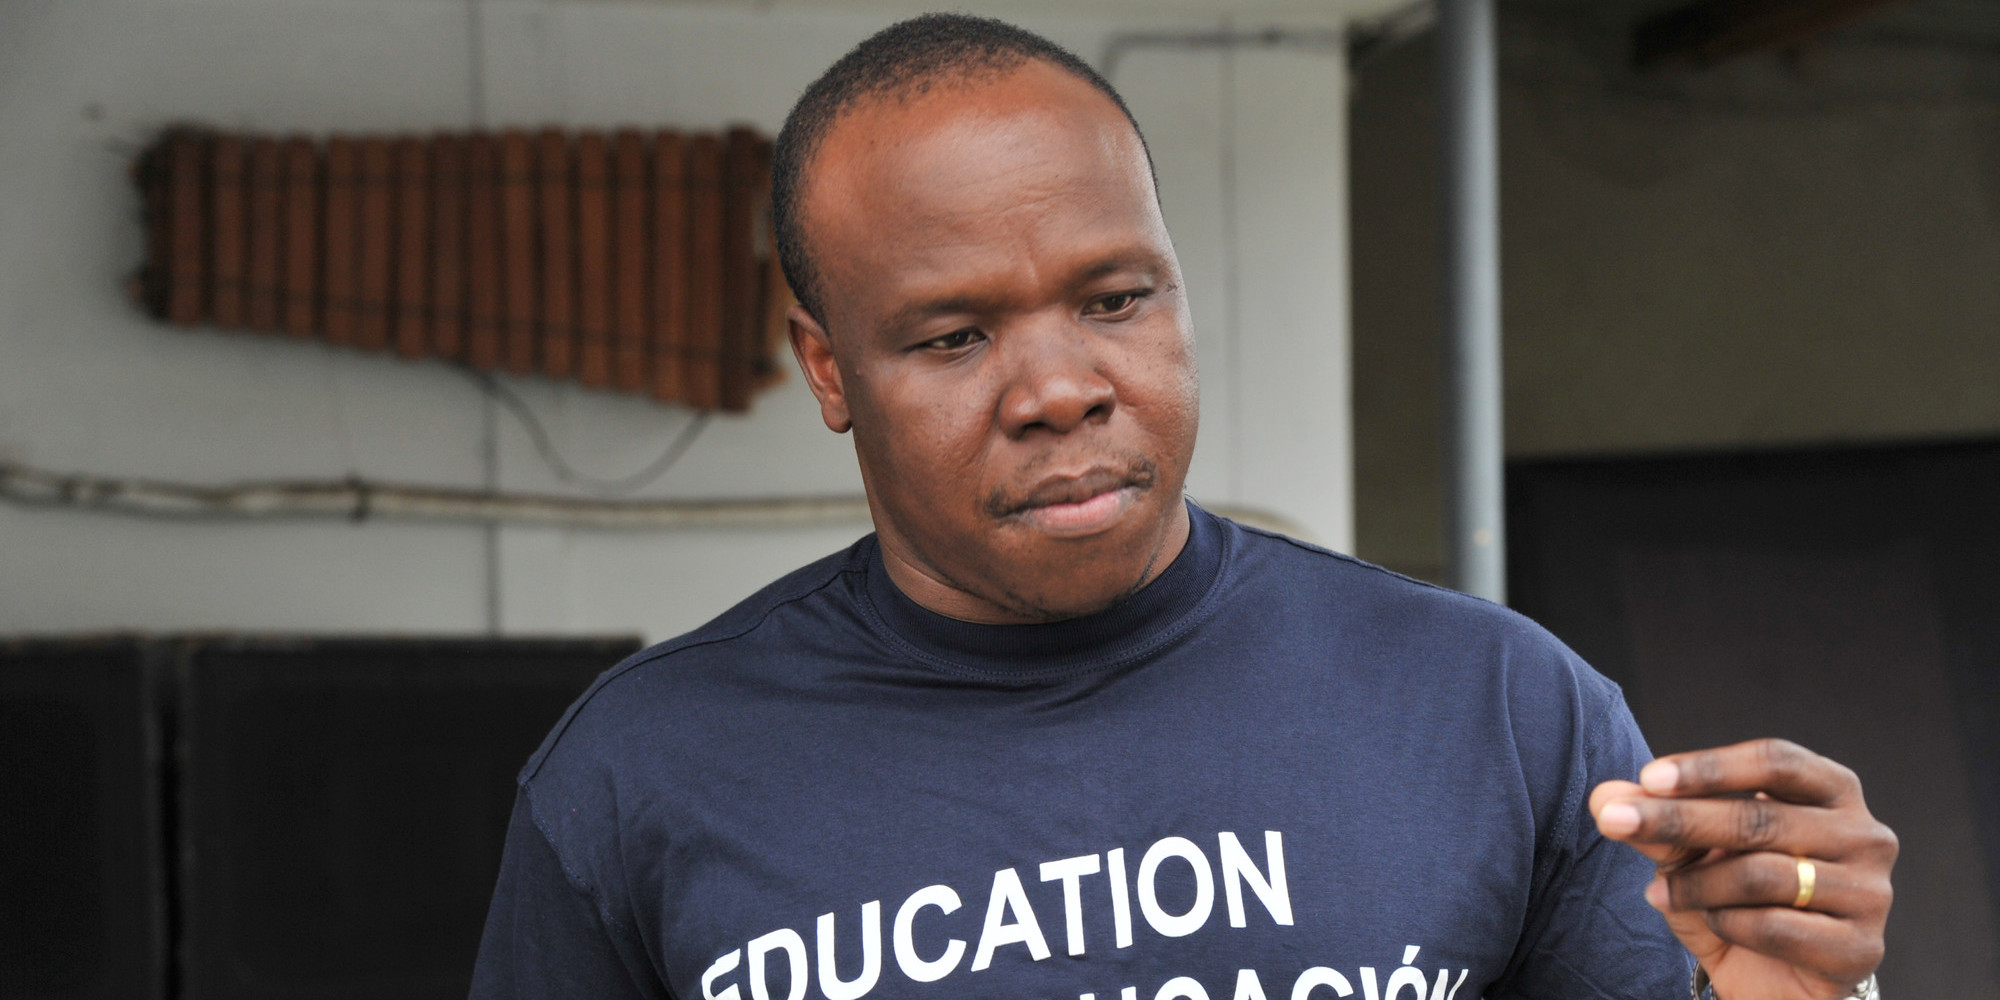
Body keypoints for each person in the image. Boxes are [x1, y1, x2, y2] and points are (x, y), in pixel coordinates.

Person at [471, 14, 1894, 1000]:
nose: (1061, 389)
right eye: (954, 337)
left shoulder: (1495, 709)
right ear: (830, 369)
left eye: (1114, 299)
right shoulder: (639, 778)